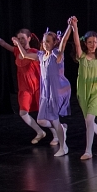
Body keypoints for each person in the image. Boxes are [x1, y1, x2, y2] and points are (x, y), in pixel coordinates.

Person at [13, 22, 73, 157]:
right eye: (44, 41)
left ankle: (63, 147)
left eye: (48, 42)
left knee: (55, 119)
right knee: (41, 120)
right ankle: (62, 129)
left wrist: (70, 26)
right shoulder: (41, 55)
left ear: (54, 43)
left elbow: (63, 42)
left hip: (57, 91)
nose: (45, 44)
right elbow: (25, 55)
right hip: (46, 93)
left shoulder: (56, 54)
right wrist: (17, 43)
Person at [0, 27, 46, 143]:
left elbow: (25, 55)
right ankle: (40, 132)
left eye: (23, 38)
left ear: (29, 38)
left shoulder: (34, 52)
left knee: (44, 115)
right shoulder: (17, 51)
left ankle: (57, 132)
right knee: (23, 112)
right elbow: (3, 43)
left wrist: (17, 43)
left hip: (37, 87)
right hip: (24, 88)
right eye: (19, 39)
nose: (21, 41)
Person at [69, 17, 97, 159]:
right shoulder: (81, 56)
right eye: (90, 42)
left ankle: (88, 150)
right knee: (89, 120)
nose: (93, 45)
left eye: (95, 42)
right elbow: (76, 42)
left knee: (89, 119)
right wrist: (75, 27)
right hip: (84, 90)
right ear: (85, 43)